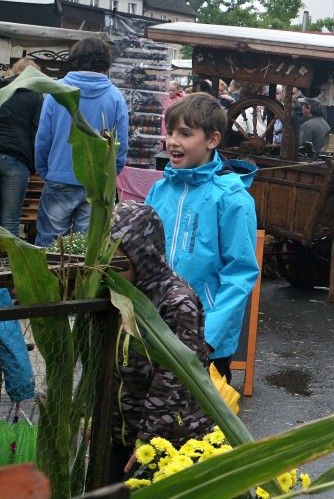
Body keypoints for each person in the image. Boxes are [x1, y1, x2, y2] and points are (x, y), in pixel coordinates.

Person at [145, 93, 259, 384]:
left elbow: (240, 274)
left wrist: (208, 337)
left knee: (198, 411)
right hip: (154, 329)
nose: (173, 142)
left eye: (185, 134)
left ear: (212, 140)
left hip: (205, 340)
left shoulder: (232, 199)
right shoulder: (159, 191)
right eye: (170, 132)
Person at [107, 201, 214, 484]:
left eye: (117, 260)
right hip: (120, 432)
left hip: (166, 440)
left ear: (143, 254)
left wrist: (150, 438)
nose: (107, 268)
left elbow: (173, 380)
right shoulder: (116, 293)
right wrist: (92, 415)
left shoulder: (177, 302)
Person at [34, 37, 130, 247]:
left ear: (75, 59)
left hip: (59, 177)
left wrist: (46, 170)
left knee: (49, 246)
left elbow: (43, 137)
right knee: (87, 249)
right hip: (97, 182)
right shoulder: (115, 97)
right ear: (106, 61)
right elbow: (121, 145)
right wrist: (109, 175)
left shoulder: (56, 91)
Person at [0, 59, 43, 238]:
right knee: (10, 221)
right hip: (17, 161)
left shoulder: (2, 90)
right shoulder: (36, 97)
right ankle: (6, 256)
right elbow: (37, 133)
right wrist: (34, 165)